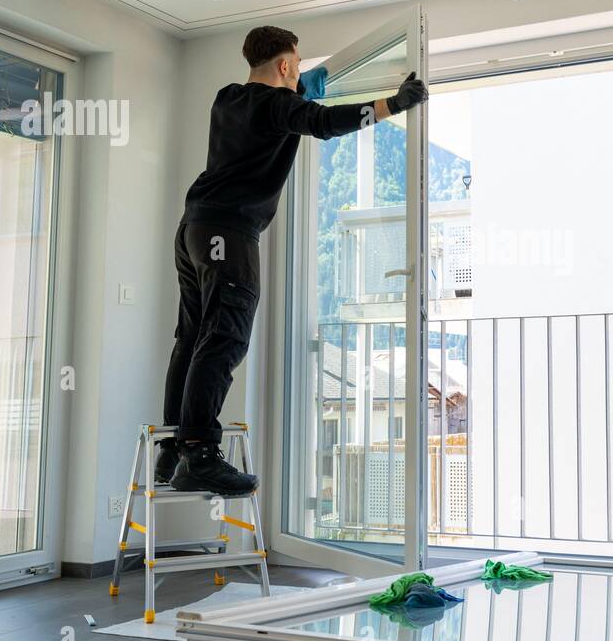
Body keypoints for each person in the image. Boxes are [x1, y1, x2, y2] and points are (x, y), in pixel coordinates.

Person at [160, 25, 429, 494]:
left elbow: (275, 113)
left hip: (193, 230)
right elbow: (325, 123)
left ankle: (172, 448)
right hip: (230, 233)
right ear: (284, 65)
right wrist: (394, 104)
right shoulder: (279, 107)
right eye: (298, 64)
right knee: (224, 337)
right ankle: (199, 451)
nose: (299, 71)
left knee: (192, 335)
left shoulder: (227, 97)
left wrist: (303, 86)